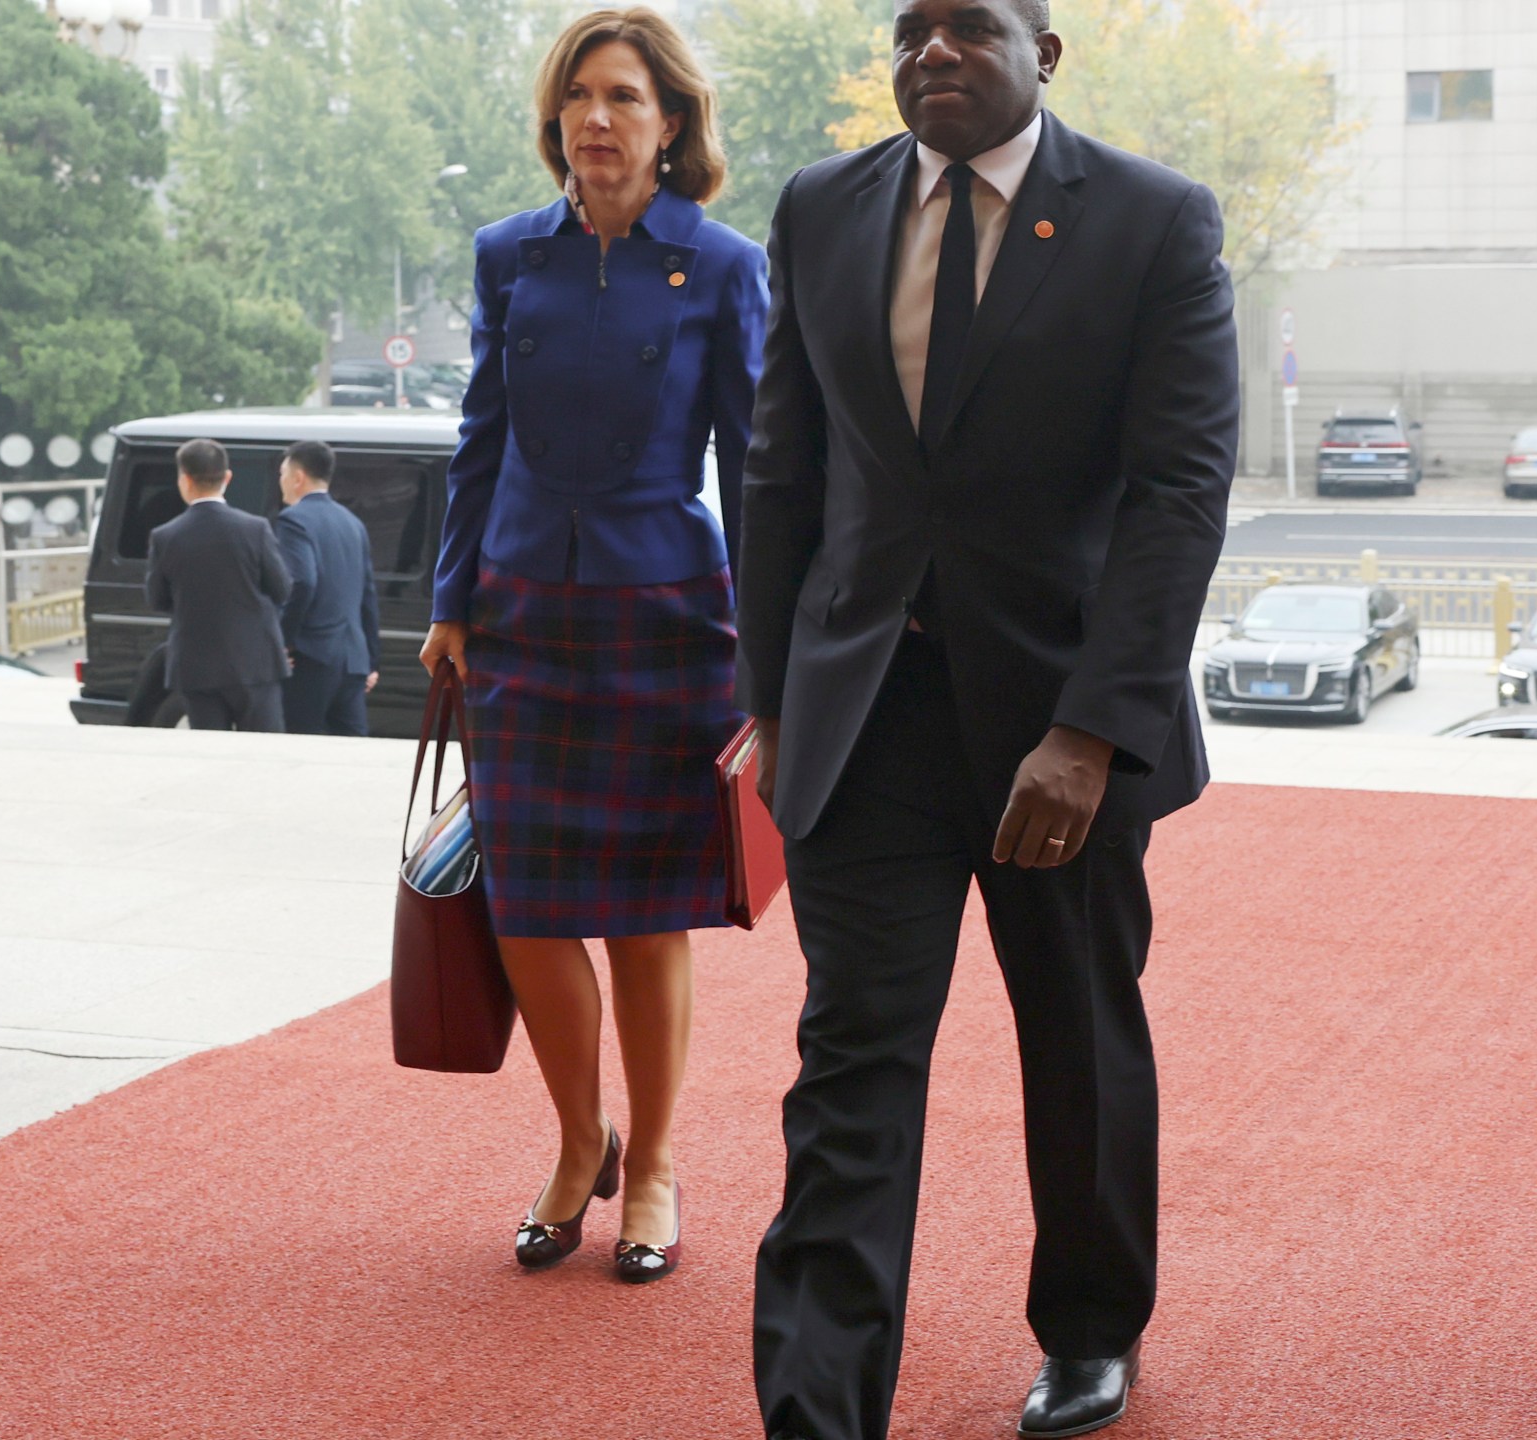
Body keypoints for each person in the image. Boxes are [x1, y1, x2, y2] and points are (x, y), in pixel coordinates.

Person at [737, 0, 1236, 1433]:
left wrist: (1092, 732)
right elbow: (783, 476)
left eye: (969, 28)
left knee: (1074, 1041)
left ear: (1045, 57)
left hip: (1061, 730)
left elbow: (1178, 495)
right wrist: (770, 707)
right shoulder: (822, 208)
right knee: (853, 1061)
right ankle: (818, 1400)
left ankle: (1090, 1326)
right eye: (909, 31)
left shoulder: (1151, 221)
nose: (932, 53)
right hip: (863, 717)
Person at [419, 7, 762, 1285]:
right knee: (527, 903)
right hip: (517, 614)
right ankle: (580, 1145)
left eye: (622, 96)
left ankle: (656, 1165)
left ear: (669, 123)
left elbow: (757, 461)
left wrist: (766, 645)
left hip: (667, 616)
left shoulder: (721, 266)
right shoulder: (509, 254)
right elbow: (479, 438)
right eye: (577, 97)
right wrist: (450, 604)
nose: (595, 119)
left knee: (645, 911)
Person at [144, 438, 292, 732]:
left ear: (184, 479)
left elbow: (157, 600)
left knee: (212, 754)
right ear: (227, 477)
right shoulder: (255, 529)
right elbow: (282, 589)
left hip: (195, 665)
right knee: (263, 753)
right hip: (255, 662)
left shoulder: (165, 536)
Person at [272, 440, 381, 736]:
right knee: (351, 755)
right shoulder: (353, 523)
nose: (281, 482)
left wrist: (283, 641)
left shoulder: (293, 520)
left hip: (311, 658)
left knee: (303, 753)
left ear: (298, 477)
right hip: (353, 660)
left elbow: (302, 582)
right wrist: (370, 660)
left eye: (282, 474)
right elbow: (367, 596)